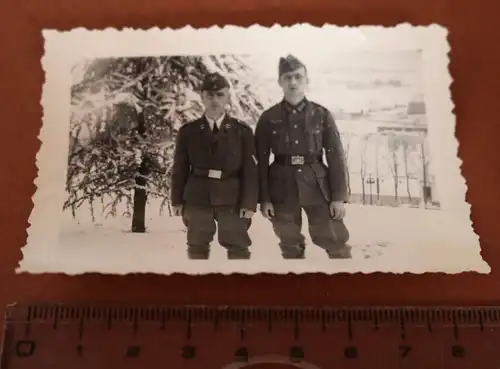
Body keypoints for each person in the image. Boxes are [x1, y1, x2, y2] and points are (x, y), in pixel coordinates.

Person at [254, 54, 352, 259]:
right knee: (289, 243)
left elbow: (335, 156)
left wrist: (338, 197)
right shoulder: (269, 118)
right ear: (280, 82)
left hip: (317, 184)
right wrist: (265, 199)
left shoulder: (321, 115)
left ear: (307, 81)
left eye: (298, 77)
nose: (293, 82)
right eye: (287, 77)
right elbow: (260, 161)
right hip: (281, 187)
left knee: (335, 239)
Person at [170, 72, 258, 260]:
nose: (214, 100)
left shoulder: (242, 131)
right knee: (197, 246)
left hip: (231, 197)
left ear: (227, 97)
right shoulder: (189, 132)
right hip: (198, 196)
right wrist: (177, 200)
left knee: (238, 246)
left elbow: (250, 170)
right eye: (210, 95)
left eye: (220, 95)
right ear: (202, 97)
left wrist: (249, 203)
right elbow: (180, 168)